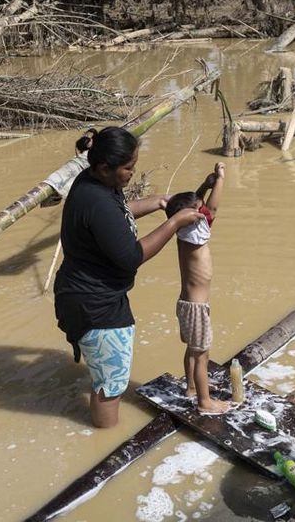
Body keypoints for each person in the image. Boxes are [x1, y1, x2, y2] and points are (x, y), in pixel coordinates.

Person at [54, 126, 202, 429]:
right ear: (104, 167)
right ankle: (103, 439)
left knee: (106, 376)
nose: (133, 172)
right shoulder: (95, 200)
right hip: (95, 304)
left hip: (83, 293)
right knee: (112, 386)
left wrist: (160, 202)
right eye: (128, 168)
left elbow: (118, 213)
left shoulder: (96, 183)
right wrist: (173, 223)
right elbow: (132, 256)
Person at [164, 162, 229, 414]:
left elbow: (199, 202)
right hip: (197, 307)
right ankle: (205, 402)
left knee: (193, 350)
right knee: (202, 355)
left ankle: (192, 387)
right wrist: (221, 178)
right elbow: (212, 207)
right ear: (191, 216)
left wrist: (204, 184)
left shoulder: (187, 230)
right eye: (197, 210)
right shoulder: (194, 229)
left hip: (188, 304)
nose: (202, 211)